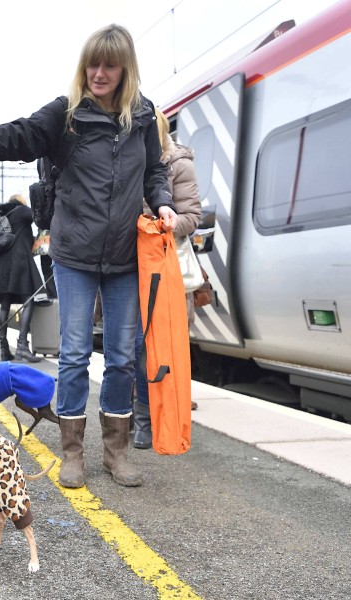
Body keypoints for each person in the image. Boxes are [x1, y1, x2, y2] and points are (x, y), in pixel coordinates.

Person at [0, 24, 178, 488]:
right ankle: (72, 452)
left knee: (121, 359)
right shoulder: (67, 115)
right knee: (73, 354)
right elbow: (21, 134)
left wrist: (164, 201)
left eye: (109, 64)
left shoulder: (144, 117)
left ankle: (116, 453)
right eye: (92, 63)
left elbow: (154, 171)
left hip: (125, 258)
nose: (99, 72)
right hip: (73, 254)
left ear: (125, 68)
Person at [132, 108, 202, 449]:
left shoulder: (179, 164)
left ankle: (152, 419)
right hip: (129, 264)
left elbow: (192, 215)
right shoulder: (131, 162)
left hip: (162, 265)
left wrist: (161, 224)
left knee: (155, 347)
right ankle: (137, 414)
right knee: (130, 347)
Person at [0, 193, 43, 362]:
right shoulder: (22, 211)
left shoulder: (5, 218)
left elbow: (21, 237)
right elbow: (40, 217)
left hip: (3, 265)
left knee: (4, 306)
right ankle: (22, 348)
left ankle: (4, 350)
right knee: (29, 301)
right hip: (19, 262)